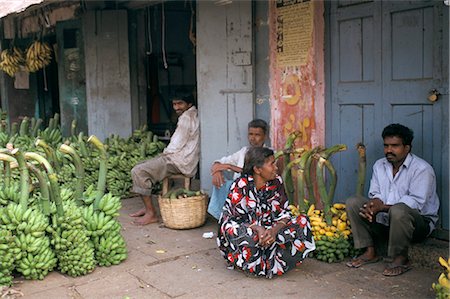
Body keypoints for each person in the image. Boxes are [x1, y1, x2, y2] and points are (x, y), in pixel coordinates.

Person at [345, 123, 439, 276]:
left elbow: (416, 204)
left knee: (399, 210)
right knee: (354, 202)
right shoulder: (379, 165)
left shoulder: (422, 169)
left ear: (407, 147)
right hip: (386, 222)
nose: (389, 150)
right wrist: (373, 204)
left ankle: (401, 258)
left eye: (395, 146)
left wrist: (381, 208)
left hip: (417, 225)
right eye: (386, 145)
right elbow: (376, 194)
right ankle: (369, 251)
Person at [217, 147, 315, 278]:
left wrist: (274, 231)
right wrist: (258, 228)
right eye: (272, 164)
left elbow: (285, 213)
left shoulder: (277, 182)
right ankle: (246, 261)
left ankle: (275, 262)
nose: (276, 168)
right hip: (249, 229)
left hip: (270, 229)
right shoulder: (241, 185)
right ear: (257, 169)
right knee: (242, 232)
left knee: (302, 222)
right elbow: (234, 219)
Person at [130, 91, 200, 225]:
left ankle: (151, 213)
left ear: (189, 104)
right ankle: (147, 208)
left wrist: (162, 155)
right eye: (174, 104)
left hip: (179, 161)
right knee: (144, 164)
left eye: (180, 104)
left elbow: (175, 145)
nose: (176, 107)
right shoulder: (193, 114)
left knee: (138, 171)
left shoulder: (186, 118)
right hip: (184, 160)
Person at [207, 119, 268, 219]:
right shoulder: (244, 151)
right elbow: (220, 161)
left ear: (264, 136)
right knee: (221, 180)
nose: (253, 138)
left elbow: (257, 174)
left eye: (257, 135)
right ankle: (222, 217)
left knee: (236, 184)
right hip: (239, 189)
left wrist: (231, 167)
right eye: (250, 134)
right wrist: (216, 171)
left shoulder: (268, 154)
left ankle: (229, 217)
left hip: (256, 191)